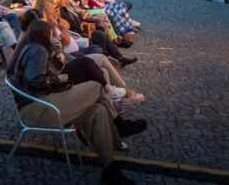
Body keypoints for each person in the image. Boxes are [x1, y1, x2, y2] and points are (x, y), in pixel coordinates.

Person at [8, 19, 144, 185]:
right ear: (45, 34)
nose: (54, 36)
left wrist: (57, 53)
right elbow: (33, 80)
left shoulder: (30, 47)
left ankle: (110, 170)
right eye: (51, 33)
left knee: (99, 110)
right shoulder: (38, 50)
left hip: (38, 103)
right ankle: (119, 124)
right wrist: (58, 79)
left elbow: (38, 76)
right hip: (39, 108)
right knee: (95, 87)